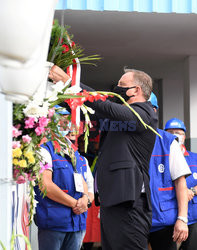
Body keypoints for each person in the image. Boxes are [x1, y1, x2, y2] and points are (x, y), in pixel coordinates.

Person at [49, 66, 158, 250]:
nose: (117, 88)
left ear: (136, 90)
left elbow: (103, 104)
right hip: (111, 200)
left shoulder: (145, 114)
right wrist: (64, 85)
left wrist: (69, 82)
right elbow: (95, 102)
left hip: (130, 202)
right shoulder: (118, 113)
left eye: (122, 85)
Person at [34, 112, 93, 250]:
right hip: (54, 223)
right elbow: (45, 185)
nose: (67, 125)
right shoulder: (44, 150)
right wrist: (76, 204)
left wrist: (85, 199)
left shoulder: (73, 151)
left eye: (68, 120)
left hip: (76, 223)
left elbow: (82, 180)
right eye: (61, 120)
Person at [148, 93, 191, 250]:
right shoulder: (124, 139)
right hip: (134, 221)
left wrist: (182, 218)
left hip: (163, 221)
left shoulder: (167, 142)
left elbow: (180, 182)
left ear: (154, 110)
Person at [165, 118, 197, 250]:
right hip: (168, 218)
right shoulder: (161, 158)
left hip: (193, 217)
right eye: (170, 132)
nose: (175, 135)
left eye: (178, 132)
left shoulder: (195, 158)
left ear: (184, 135)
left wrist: (192, 191)